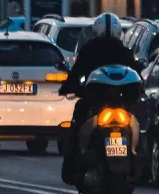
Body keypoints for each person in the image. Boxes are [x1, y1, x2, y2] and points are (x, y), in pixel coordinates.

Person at [59, 13, 140, 184]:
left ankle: (71, 167)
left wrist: (67, 88)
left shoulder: (89, 49)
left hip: (97, 104)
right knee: (138, 124)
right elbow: (137, 75)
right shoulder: (125, 52)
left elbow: (75, 73)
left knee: (77, 122)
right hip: (120, 104)